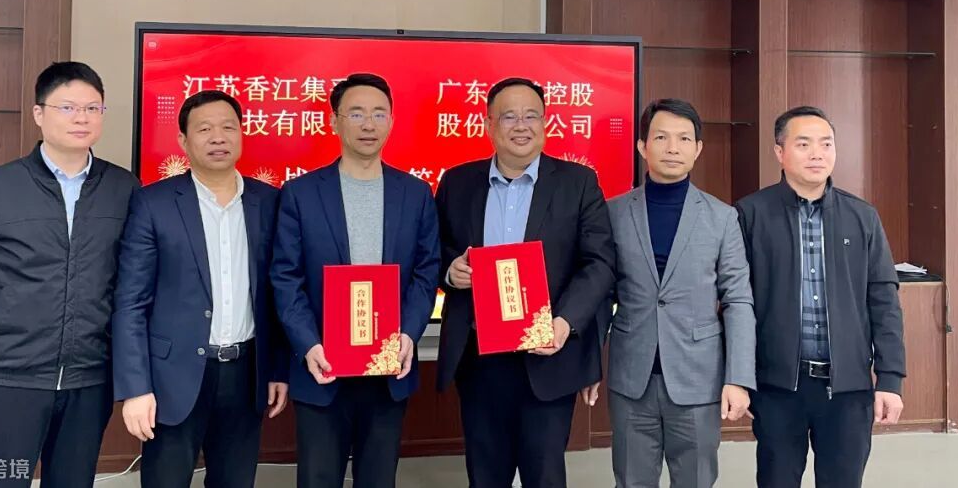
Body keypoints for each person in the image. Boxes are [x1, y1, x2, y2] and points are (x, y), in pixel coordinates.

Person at [0, 61, 139, 488]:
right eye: (68, 107)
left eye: (92, 108)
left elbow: (130, 281)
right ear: (39, 113)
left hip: (90, 377)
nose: (81, 118)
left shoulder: (124, 188)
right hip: (11, 376)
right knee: (1, 481)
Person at [435, 77, 616, 488]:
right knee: (485, 476)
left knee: (545, 475)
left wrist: (565, 322)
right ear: (489, 124)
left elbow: (599, 263)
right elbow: (434, 250)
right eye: (509, 116)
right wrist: (450, 271)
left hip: (547, 355)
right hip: (478, 357)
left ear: (545, 122)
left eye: (531, 116)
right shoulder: (458, 182)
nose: (521, 125)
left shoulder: (577, 182)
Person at [271, 73, 440, 488]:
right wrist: (308, 344)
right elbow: (286, 277)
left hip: (388, 370)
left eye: (379, 114)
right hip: (323, 366)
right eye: (357, 113)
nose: (369, 124)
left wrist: (409, 334)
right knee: (317, 478)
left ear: (391, 121)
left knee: (379, 478)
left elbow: (426, 272)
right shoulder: (300, 193)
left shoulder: (415, 193)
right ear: (334, 121)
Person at [113, 90, 288, 488]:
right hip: (172, 376)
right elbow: (130, 303)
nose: (218, 137)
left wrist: (278, 369)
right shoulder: (153, 203)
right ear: (183, 140)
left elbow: (276, 296)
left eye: (228, 127)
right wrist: (136, 388)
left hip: (246, 373)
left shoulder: (269, 202)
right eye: (205, 129)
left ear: (242, 134)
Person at [735, 106, 906, 488]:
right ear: (780, 152)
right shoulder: (750, 214)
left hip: (847, 388)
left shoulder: (862, 216)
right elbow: (735, 303)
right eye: (804, 144)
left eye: (826, 144)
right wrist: (738, 377)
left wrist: (890, 379)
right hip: (778, 387)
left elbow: (884, 302)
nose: (817, 153)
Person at [596, 98, 755, 488]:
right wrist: (587, 366)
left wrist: (738, 377)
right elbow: (599, 292)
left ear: (698, 148)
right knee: (631, 481)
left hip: (698, 377)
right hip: (632, 376)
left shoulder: (722, 217)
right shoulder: (614, 212)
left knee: (695, 481)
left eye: (684, 139)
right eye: (661, 137)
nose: (672, 148)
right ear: (642, 146)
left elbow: (738, 300)